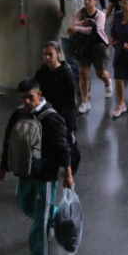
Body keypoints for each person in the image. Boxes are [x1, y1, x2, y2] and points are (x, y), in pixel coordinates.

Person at [0, 79, 74, 255]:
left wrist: (68, 173)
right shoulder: (18, 114)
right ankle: (59, 219)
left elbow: (63, 147)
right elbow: (9, 140)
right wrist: (3, 165)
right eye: (23, 98)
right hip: (24, 171)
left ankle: (39, 253)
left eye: (30, 97)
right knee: (25, 204)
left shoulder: (52, 118)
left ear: (38, 95)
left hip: (46, 175)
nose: (26, 102)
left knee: (41, 220)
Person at [33, 41, 80, 173]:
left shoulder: (66, 73)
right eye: (45, 54)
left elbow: (70, 101)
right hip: (48, 114)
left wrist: (58, 115)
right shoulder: (41, 73)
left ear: (58, 54)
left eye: (50, 54)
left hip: (65, 115)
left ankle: (72, 167)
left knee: (69, 142)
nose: (47, 57)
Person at [70, 0, 113, 113]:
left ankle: (107, 82)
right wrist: (83, 23)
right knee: (83, 73)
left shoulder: (100, 15)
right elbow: (72, 23)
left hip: (98, 47)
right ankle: (85, 101)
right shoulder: (81, 12)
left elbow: (94, 30)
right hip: (83, 46)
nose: (87, 2)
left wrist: (77, 28)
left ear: (96, 1)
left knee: (101, 74)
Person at [57, 0, 86, 73]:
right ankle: (77, 80)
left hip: (77, 35)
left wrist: (77, 28)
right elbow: (64, 13)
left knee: (78, 59)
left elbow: (86, 18)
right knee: (68, 59)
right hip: (65, 34)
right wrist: (60, 14)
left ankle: (83, 79)